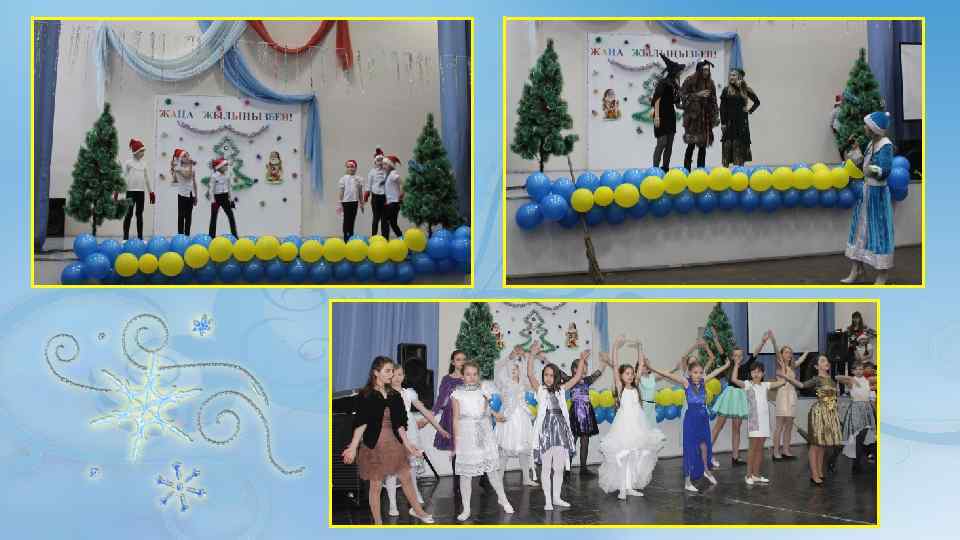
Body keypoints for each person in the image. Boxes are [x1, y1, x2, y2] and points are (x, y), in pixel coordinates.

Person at [340, 356, 434, 524]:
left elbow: (400, 424)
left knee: (406, 478)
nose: (391, 374)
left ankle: (418, 511)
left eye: (392, 371)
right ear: (376, 373)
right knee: (376, 486)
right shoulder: (366, 394)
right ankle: (378, 523)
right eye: (388, 371)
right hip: (375, 445)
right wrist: (353, 447)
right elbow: (361, 423)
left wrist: (408, 445)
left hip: (394, 444)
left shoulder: (394, 395)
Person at [647, 353, 729, 492]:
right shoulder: (686, 382)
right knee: (690, 449)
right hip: (691, 419)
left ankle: (706, 470)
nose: (698, 375)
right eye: (695, 372)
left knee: (705, 446)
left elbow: (716, 371)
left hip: (703, 419)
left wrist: (726, 365)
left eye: (700, 372)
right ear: (690, 373)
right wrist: (652, 368)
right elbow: (667, 375)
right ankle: (687, 481)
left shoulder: (703, 381)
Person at [597, 336, 665, 499]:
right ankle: (622, 488)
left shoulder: (635, 386)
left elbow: (640, 364)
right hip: (624, 426)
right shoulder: (620, 387)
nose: (630, 375)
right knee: (624, 456)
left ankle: (629, 486)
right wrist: (615, 346)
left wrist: (640, 347)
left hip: (638, 425)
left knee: (634, 456)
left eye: (632, 373)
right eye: (627, 373)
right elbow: (615, 366)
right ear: (621, 376)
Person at [526, 342, 588, 510]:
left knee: (559, 468)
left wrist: (582, 360)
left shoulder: (561, 390)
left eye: (551, 375)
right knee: (546, 468)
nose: (548, 378)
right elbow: (530, 374)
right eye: (546, 375)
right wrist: (532, 354)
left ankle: (556, 497)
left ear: (557, 377)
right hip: (546, 432)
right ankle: (548, 500)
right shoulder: (540, 390)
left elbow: (576, 378)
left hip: (560, 431)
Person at [451, 361, 514, 521]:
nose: (471, 377)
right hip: (466, 434)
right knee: (466, 475)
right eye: (468, 374)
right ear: (462, 376)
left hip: (484, 432)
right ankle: (466, 508)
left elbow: (487, 409)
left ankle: (503, 499)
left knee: (492, 470)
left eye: (474, 374)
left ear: (478, 375)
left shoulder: (484, 391)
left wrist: (495, 414)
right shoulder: (457, 394)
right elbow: (455, 418)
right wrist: (456, 443)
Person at [384, 365, 448, 518]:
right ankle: (392, 503)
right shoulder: (385, 394)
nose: (398, 377)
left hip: (410, 428)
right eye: (394, 374)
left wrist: (440, 429)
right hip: (393, 430)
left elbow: (425, 411)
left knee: (411, 466)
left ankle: (415, 494)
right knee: (392, 469)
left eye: (400, 374)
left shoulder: (409, 393)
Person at [842, 111, 896, 285]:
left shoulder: (885, 145)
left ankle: (882, 274)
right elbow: (863, 166)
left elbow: (885, 170)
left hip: (877, 195)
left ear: (874, 128)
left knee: (879, 232)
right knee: (858, 230)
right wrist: (855, 150)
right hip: (866, 193)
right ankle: (857, 270)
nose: (864, 128)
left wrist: (874, 169)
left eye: (866, 125)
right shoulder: (872, 143)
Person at [780, 355, 849, 485]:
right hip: (819, 413)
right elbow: (802, 385)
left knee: (823, 444)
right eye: (822, 361)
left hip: (830, 414)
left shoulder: (831, 380)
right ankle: (814, 474)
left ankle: (819, 471)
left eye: (826, 360)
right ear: (817, 366)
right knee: (815, 444)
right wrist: (787, 377)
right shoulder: (817, 379)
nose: (826, 362)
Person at [729, 356, 789, 485]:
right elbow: (734, 379)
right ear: (751, 373)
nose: (756, 374)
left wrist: (783, 366)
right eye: (754, 371)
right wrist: (736, 365)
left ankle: (756, 475)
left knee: (760, 448)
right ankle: (748, 475)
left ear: (763, 373)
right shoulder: (747, 384)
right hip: (754, 421)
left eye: (759, 372)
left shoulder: (765, 385)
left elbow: (783, 381)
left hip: (764, 421)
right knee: (753, 448)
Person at [710, 336, 768, 468]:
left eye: (740, 355)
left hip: (740, 397)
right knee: (719, 426)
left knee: (736, 428)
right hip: (729, 396)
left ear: (742, 357)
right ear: (732, 356)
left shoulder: (746, 366)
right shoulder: (729, 365)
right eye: (735, 355)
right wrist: (716, 339)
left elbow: (754, 354)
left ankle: (735, 457)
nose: (738, 357)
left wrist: (762, 342)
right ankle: (706, 454)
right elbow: (721, 352)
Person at [559, 348, 608, 476]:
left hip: (586, 413)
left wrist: (604, 362)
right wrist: (544, 359)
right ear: (575, 369)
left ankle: (583, 469)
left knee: (585, 442)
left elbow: (598, 372)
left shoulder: (587, 380)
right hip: (576, 412)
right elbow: (557, 371)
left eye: (586, 365)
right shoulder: (570, 379)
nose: (585, 368)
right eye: (583, 365)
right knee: (572, 441)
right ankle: (567, 470)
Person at [494, 360, 538, 487]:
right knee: (505, 449)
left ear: (520, 370)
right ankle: (498, 478)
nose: (513, 371)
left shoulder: (523, 382)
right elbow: (504, 399)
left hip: (522, 418)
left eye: (516, 368)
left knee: (524, 450)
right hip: (509, 419)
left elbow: (533, 387)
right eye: (511, 369)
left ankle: (526, 478)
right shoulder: (505, 383)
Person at [770, 331, 811, 461]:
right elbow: (776, 351)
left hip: (792, 396)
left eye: (790, 352)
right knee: (780, 426)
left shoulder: (792, 366)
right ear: (781, 355)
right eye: (786, 352)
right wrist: (774, 341)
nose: (789, 354)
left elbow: (801, 360)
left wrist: (807, 351)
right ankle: (776, 452)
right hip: (782, 396)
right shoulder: (780, 365)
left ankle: (786, 450)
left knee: (789, 425)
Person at [679, 60, 719, 171]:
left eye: (708, 70)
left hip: (705, 118)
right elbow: (682, 97)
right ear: (699, 70)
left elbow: (714, 100)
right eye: (704, 69)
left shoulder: (711, 83)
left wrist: (715, 115)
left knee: (703, 146)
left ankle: (701, 171)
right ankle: (686, 170)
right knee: (691, 145)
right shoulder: (690, 80)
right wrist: (697, 95)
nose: (706, 72)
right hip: (693, 118)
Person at [840, 361, 876, 474]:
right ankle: (855, 464)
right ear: (853, 371)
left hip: (866, 410)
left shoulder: (867, 380)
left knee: (863, 438)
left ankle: (857, 463)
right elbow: (837, 377)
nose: (860, 371)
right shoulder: (851, 381)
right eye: (857, 369)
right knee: (857, 438)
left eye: (861, 369)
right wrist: (852, 379)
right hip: (856, 410)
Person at [719, 68, 760, 167]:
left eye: (734, 75)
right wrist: (723, 123)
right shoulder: (726, 90)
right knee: (727, 148)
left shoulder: (745, 89)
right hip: (729, 124)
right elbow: (722, 108)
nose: (731, 77)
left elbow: (757, 102)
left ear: (739, 77)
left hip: (741, 124)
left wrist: (750, 110)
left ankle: (739, 172)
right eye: (730, 75)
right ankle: (725, 173)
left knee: (739, 149)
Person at [651, 54, 684, 170]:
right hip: (660, 115)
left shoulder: (676, 85)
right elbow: (656, 100)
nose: (680, 73)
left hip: (670, 116)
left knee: (669, 145)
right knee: (661, 143)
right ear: (674, 72)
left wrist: (688, 106)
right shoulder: (663, 83)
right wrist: (656, 116)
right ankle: (655, 169)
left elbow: (677, 105)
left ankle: (665, 168)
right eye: (679, 71)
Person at [120, 138, 154, 240]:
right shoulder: (128, 163)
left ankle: (140, 237)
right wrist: (118, 190)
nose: (143, 153)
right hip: (130, 192)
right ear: (136, 152)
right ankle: (125, 237)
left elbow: (147, 179)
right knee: (128, 214)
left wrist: (151, 192)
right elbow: (123, 177)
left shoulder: (144, 164)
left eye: (143, 151)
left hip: (141, 193)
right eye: (141, 151)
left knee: (139, 215)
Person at [207, 158, 238, 238]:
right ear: (219, 167)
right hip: (216, 198)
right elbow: (211, 189)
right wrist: (213, 201)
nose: (227, 167)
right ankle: (211, 236)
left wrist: (231, 200)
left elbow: (229, 188)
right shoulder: (214, 176)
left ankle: (235, 235)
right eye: (225, 165)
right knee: (213, 217)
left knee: (231, 216)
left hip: (225, 197)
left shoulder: (227, 175)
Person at [170, 149, 197, 236]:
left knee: (189, 216)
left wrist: (195, 196)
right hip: (182, 195)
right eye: (185, 156)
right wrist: (191, 164)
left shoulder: (191, 168)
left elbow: (194, 182)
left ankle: (187, 235)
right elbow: (187, 176)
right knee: (181, 216)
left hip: (190, 194)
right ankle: (180, 236)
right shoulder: (177, 168)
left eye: (188, 155)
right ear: (180, 158)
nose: (187, 157)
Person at [338, 159, 364, 242]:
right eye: (348, 167)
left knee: (352, 220)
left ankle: (351, 236)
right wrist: (340, 203)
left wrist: (361, 203)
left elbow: (360, 192)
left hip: (354, 202)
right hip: (346, 202)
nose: (350, 168)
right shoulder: (343, 179)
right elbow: (341, 192)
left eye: (352, 167)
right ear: (346, 168)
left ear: (355, 168)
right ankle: (346, 237)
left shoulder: (358, 179)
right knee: (346, 220)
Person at [364, 148, 387, 236]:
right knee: (376, 218)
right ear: (375, 162)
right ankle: (374, 237)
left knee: (384, 219)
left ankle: (385, 238)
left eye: (381, 160)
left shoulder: (386, 171)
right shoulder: (372, 172)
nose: (380, 162)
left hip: (385, 198)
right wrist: (367, 193)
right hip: (375, 198)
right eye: (378, 160)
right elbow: (369, 184)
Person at [382, 155, 404, 240]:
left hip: (393, 203)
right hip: (390, 202)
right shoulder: (388, 175)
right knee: (393, 223)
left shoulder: (393, 174)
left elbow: (402, 183)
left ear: (391, 165)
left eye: (385, 164)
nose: (383, 166)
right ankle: (401, 238)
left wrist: (401, 193)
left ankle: (385, 240)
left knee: (385, 221)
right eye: (383, 164)